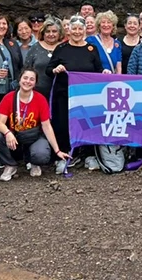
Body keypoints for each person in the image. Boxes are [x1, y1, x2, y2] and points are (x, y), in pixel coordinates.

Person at [47, 16, 106, 174]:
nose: (77, 32)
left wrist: (105, 72)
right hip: (64, 94)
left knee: (87, 124)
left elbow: (98, 69)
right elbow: (48, 69)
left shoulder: (92, 49)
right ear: (69, 30)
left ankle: (88, 155)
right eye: (74, 29)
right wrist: (56, 69)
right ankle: (63, 156)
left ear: (85, 30)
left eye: (81, 29)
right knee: (63, 125)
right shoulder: (61, 48)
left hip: (87, 97)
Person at [0, 69, 69, 180]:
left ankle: (33, 162)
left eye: (32, 79)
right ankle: (10, 165)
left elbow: (47, 126)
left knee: (41, 155)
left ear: (35, 83)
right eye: (25, 78)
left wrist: (57, 150)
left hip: (33, 136)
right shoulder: (9, 97)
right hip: (14, 137)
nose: (28, 81)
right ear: (19, 79)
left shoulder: (40, 99)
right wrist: (8, 132)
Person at [24, 17, 63, 99]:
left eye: (54, 31)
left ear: (59, 33)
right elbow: (26, 69)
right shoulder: (35, 48)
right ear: (43, 33)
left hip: (60, 94)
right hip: (36, 94)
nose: (51, 34)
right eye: (48, 31)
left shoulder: (64, 48)